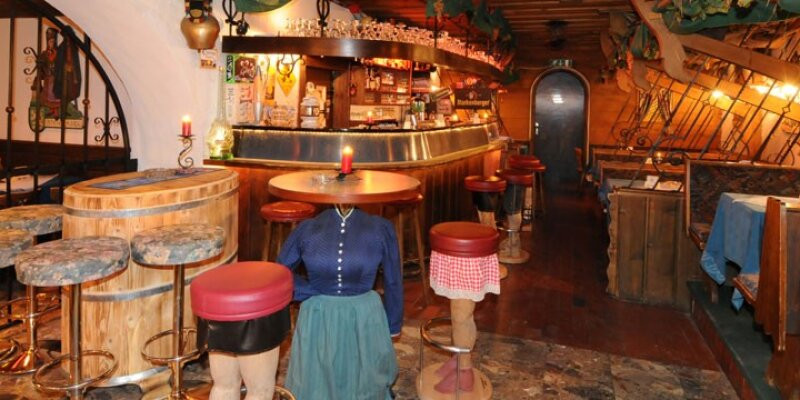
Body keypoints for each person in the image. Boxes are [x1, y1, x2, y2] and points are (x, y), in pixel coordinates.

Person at [277, 205, 402, 400]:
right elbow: (279, 273)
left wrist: (393, 323)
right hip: (319, 314)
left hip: (363, 314)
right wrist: (308, 290)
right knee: (318, 381)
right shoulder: (307, 229)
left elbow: (393, 279)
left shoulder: (380, 228)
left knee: (366, 376)